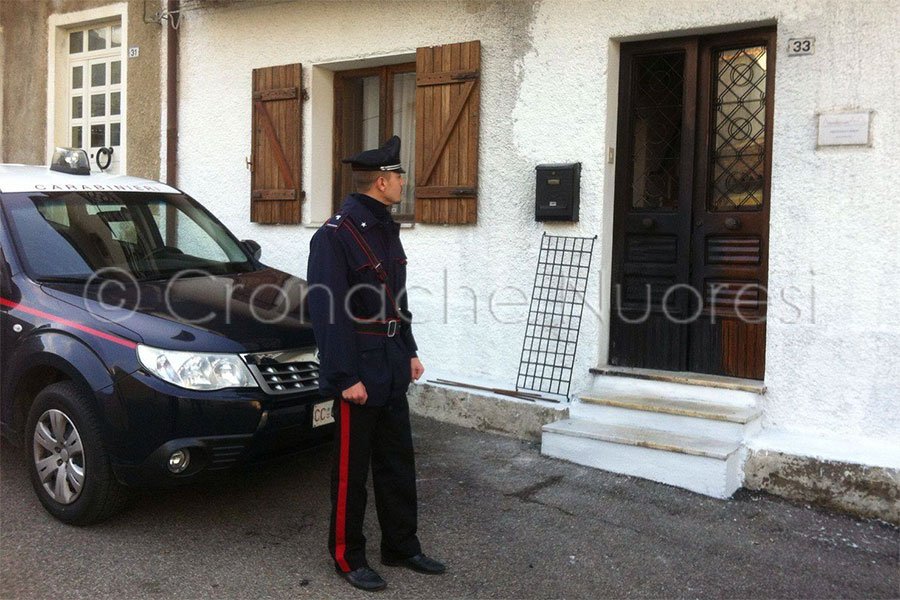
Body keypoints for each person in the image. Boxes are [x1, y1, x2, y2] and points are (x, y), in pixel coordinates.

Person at [306, 136, 446, 592]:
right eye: (400, 175)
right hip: (359, 370)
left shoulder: (386, 228)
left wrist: (409, 350)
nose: (405, 181)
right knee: (351, 470)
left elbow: (395, 300)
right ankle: (347, 556)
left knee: (396, 460)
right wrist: (344, 377)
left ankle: (401, 546)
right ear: (383, 180)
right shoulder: (335, 235)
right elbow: (328, 312)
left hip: (390, 361)